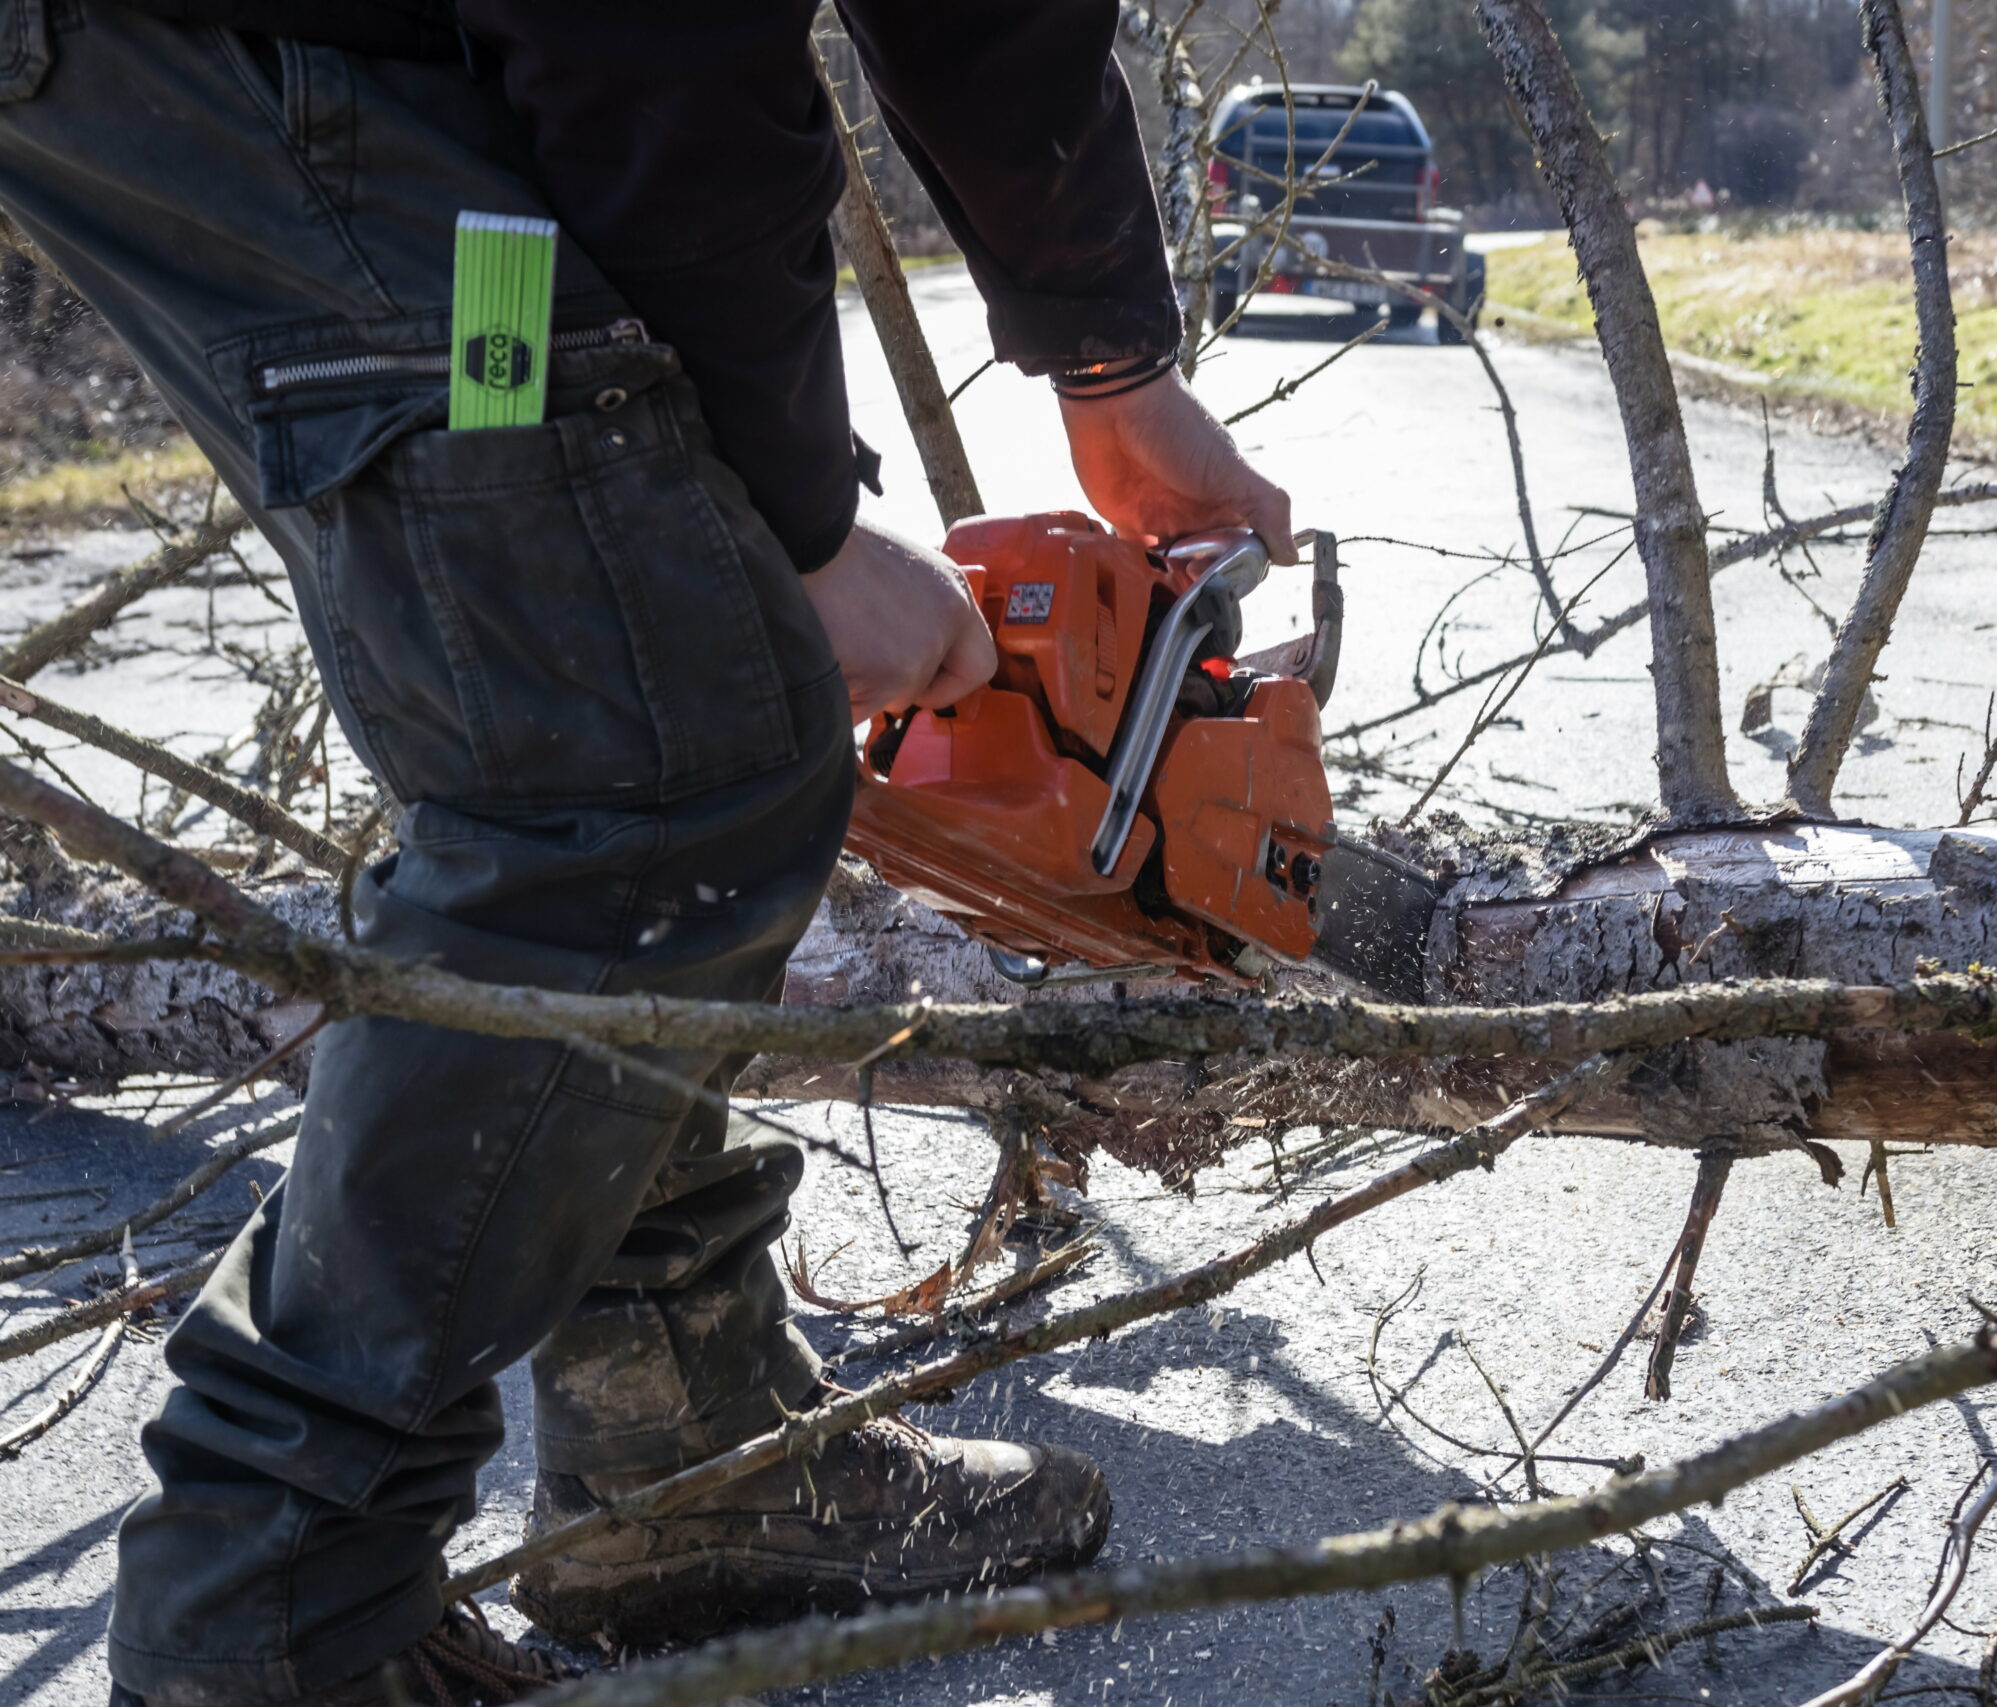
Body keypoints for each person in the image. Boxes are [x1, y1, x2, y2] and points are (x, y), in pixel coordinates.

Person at [0, 2, 1293, 1702]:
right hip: (250, 43)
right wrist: (811, 525)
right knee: (632, 791)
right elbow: (647, 32)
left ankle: (685, 1466)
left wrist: (1109, 363)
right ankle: (273, 1619)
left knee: (593, 685)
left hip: (390, 70)